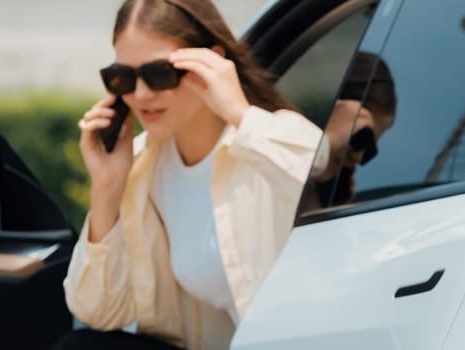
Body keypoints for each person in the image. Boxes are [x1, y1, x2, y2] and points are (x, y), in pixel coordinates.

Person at [54, 0, 327, 349]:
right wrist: (107, 186)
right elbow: (97, 313)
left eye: (159, 73)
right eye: (122, 78)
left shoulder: (267, 141)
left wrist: (240, 114)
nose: (140, 94)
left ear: (212, 62)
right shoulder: (142, 166)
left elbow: (328, 175)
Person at [307, 52, 397, 207]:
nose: (359, 157)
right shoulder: (265, 135)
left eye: (369, 149)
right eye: (361, 138)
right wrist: (326, 142)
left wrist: (332, 203)